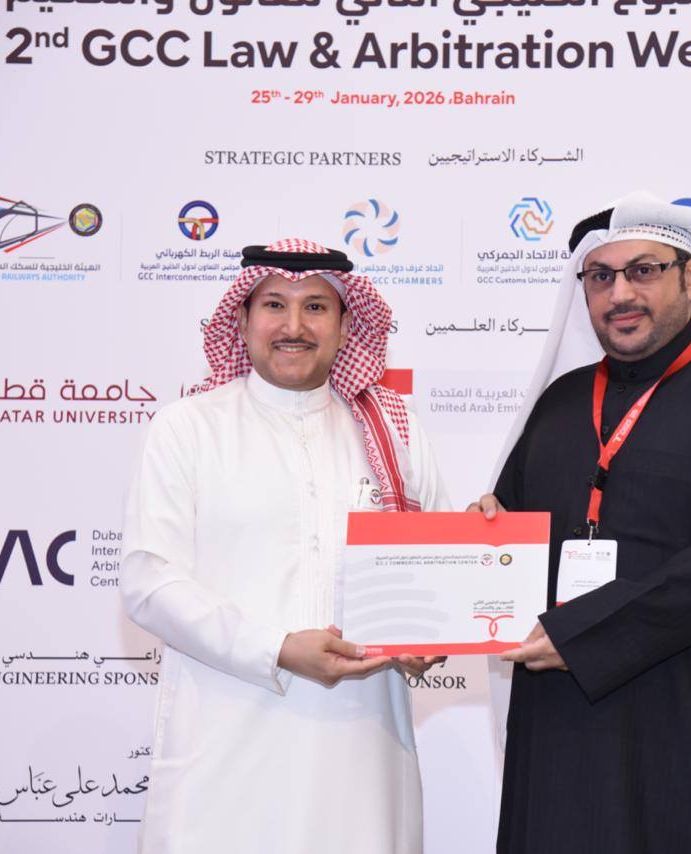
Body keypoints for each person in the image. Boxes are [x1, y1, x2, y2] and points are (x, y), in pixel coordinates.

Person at [471, 193, 691, 853]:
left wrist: (589, 632)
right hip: (565, 736)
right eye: (600, 276)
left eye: (644, 270)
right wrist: (481, 543)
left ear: (690, 279)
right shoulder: (560, 403)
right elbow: (511, 542)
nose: (620, 294)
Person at [121, 239, 448, 854]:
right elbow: (149, 582)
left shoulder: (393, 434)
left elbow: (436, 575)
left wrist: (436, 630)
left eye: (316, 307)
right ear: (242, 320)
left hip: (363, 755)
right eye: (274, 304)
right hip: (226, 747)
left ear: (346, 326)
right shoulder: (188, 427)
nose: (293, 326)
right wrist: (275, 648)